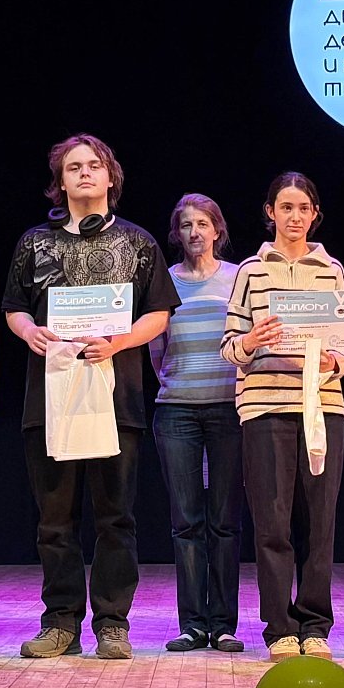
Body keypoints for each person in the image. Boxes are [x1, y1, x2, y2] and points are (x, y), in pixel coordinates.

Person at [2, 134, 179, 660]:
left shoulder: (138, 242)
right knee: (54, 520)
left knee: (115, 518)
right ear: (59, 181)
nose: (84, 173)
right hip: (51, 398)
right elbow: (13, 306)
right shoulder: (35, 242)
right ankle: (60, 622)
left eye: (94, 165)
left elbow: (159, 312)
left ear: (110, 176)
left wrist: (120, 341)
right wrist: (28, 331)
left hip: (116, 398)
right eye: (73, 167)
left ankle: (112, 623)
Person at [221, 172, 344, 662]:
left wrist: (335, 362)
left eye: (304, 208)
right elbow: (229, 346)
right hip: (264, 408)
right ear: (271, 213)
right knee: (272, 523)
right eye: (286, 207)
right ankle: (280, 626)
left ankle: (316, 625)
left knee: (319, 523)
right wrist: (251, 341)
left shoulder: (332, 270)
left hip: (322, 408)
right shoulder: (251, 271)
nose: (295, 216)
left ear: (314, 214)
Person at [148, 194, 245, 654]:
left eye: (203, 223)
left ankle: (223, 624)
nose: (195, 232)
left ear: (217, 229)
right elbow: (156, 348)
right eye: (186, 225)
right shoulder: (165, 282)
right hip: (177, 411)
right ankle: (192, 624)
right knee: (186, 521)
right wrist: (177, 382)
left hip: (229, 409)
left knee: (224, 521)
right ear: (177, 234)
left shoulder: (237, 278)